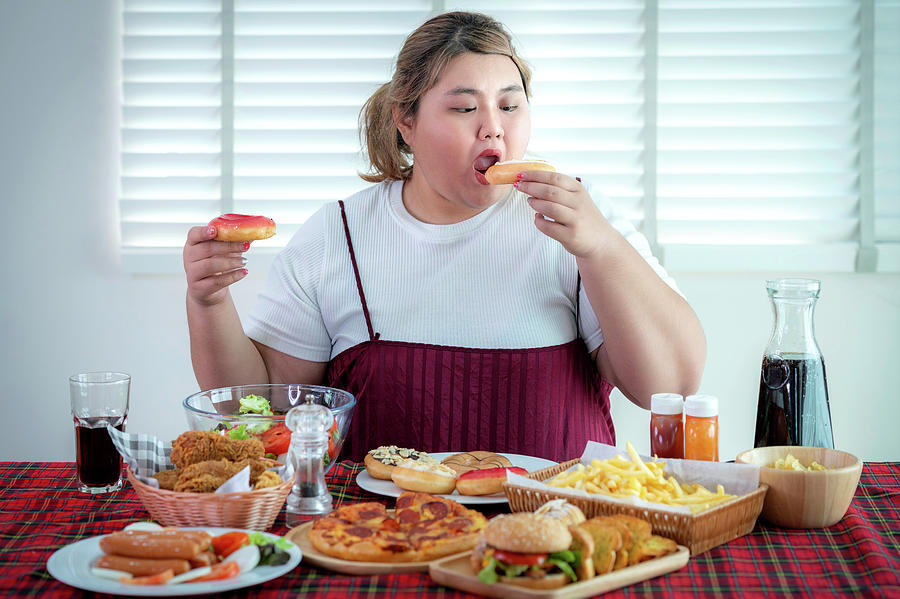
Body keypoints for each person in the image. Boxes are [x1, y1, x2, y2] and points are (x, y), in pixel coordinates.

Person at [182, 12, 706, 462]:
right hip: (379, 543)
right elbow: (258, 408)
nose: (493, 128)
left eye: (509, 104)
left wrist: (603, 248)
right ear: (405, 121)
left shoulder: (580, 218)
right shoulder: (337, 234)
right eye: (464, 107)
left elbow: (671, 386)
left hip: (552, 543)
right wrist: (208, 300)